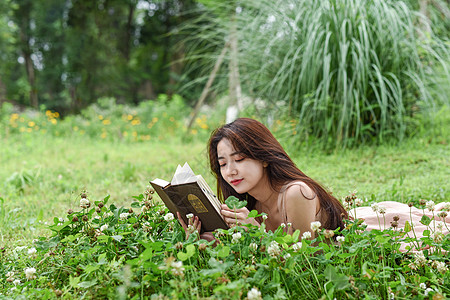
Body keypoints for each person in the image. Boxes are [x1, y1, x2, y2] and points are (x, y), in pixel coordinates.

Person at [178, 118, 348, 239]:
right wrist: (198, 238)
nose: (230, 171)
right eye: (223, 164)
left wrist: (257, 232)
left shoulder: (297, 193)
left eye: (239, 159)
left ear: (264, 158)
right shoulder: (249, 206)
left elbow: (301, 262)